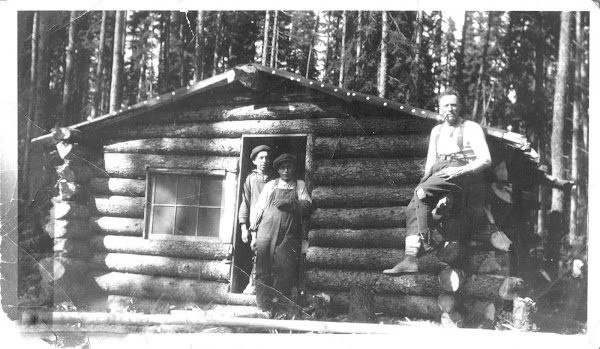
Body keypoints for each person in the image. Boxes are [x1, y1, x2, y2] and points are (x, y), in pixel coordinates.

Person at [383, 88, 492, 275]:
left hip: (462, 173)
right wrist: (425, 183)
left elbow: (486, 159)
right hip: (438, 173)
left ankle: (426, 242)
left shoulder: (471, 128)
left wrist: (461, 169)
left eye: (453, 105)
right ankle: (410, 258)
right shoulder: (437, 131)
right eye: (445, 106)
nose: (449, 109)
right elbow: (431, 163)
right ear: (440, 109)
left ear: (460, 107)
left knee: (421, 196)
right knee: (412, 207)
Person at [249, 153, 312, 314]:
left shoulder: (299, 185)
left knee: (285, 267)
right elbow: (259, 208)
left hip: (289, 233)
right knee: (263, 266)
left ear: (294, 168)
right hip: (267, 230)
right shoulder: (271, 185)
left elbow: (307, 206)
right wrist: (254, 232)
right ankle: (263, 306)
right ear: (278, 169)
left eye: (289, 167)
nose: (286, 170)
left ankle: (278, 306)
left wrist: (290, 203)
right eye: (282, 167)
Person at [238, 145, 277, 294]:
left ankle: (267, 289)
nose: (264, 161)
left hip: (271, 223)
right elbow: (245, 202)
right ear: (254, 161)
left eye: (267, 158)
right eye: (261, 158)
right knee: (257, 253)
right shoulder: (251, 179)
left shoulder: (275, 179)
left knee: (271, 256)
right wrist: (243, 227)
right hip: (255, 224)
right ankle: (253, 285)